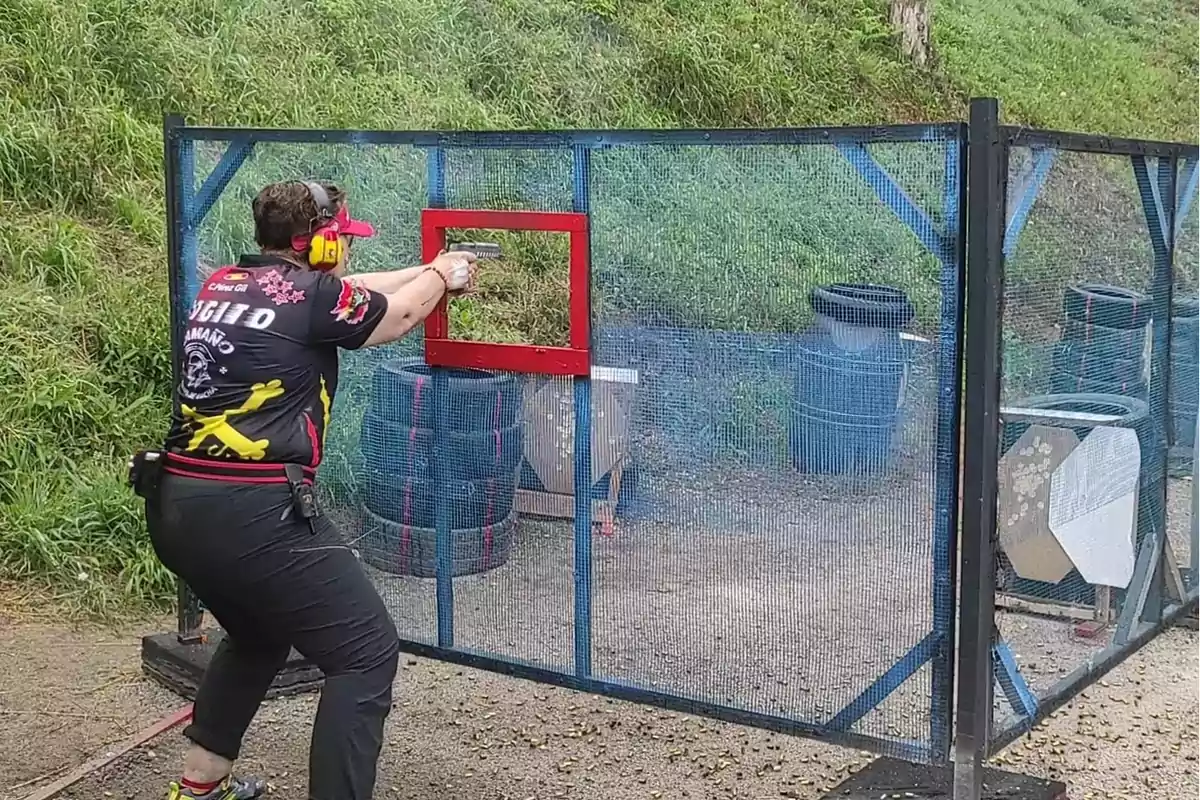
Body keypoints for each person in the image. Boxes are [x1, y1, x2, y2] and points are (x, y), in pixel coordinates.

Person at [132, 180, 477, 800]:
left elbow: (353, 290)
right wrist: (442, 277)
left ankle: (199, 787)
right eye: (339, 239)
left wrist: (425, 268)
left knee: (260, 636)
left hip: (177, 504)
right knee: (366, 654)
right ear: (316, 246)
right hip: (254, 510)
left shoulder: (226, 284)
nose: (343, 249)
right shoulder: (313, 296)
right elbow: (393, 317)